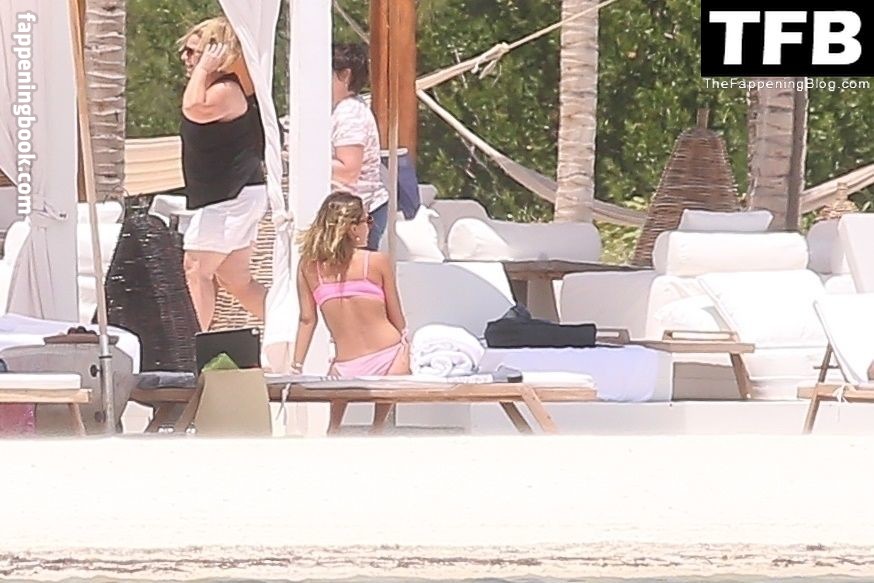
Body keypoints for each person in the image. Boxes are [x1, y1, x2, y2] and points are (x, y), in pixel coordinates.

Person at [178, 17, 268, 331]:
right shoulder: (218, 88)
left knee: (196, 268)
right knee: (236, 279)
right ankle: (294, 331)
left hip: (230, 196)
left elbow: (193, 108)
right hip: (235, 194)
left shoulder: (225, 91)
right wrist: (202, 70)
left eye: (193, 51)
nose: (186, 58)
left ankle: (193, 345)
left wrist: (204, 68)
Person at [292, 191, 409, 432]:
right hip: (389, 354)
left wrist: (296, 365)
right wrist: (406, 346)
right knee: (378, 430)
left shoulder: (309, 267)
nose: (370, 227)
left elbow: (307, 320)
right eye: (367, 220)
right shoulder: (376, 262)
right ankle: (377, 429)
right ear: (353, 228)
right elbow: (397, 316)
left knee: (333, 430)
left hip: (345, 364)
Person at [331, 43, 390, 252]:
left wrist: (306, 160)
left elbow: (348, 170)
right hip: (353, 210)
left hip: (359, 213)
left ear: (345, 75)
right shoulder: (345, 108)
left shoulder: (349, 114)